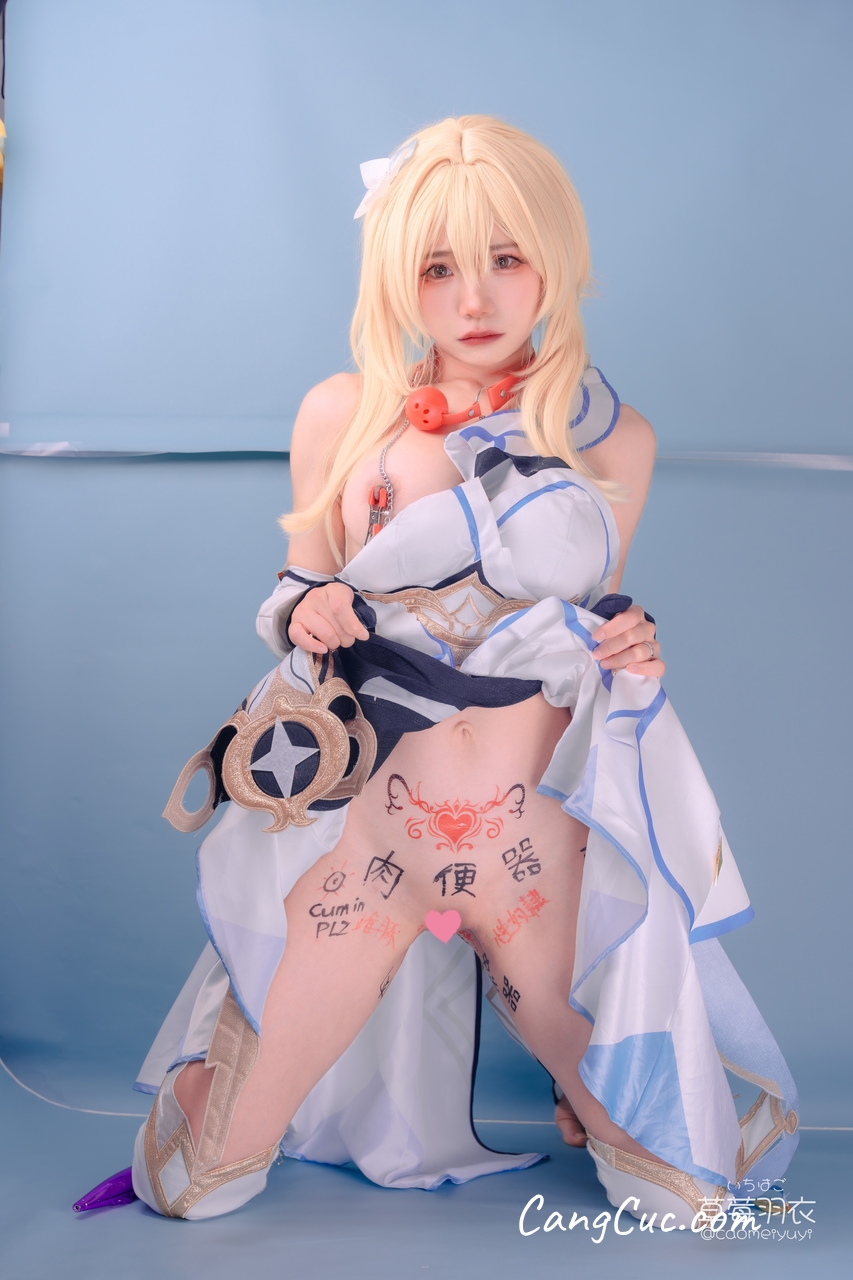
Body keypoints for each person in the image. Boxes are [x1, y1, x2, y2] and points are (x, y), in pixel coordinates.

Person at [123, 116, 798, 1223]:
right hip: (370, 840)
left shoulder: (612, 437)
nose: (473, 298)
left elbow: (583, 621)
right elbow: (295, 586)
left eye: (505, 258)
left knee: (686, 1199)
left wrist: (631, 639)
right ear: (398, 273)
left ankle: (588, 1084)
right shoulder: (341, 413)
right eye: (437, 267)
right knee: (200, 1185)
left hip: (529, 848)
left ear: (554, 260)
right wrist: (309, 608)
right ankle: (215, 1079)